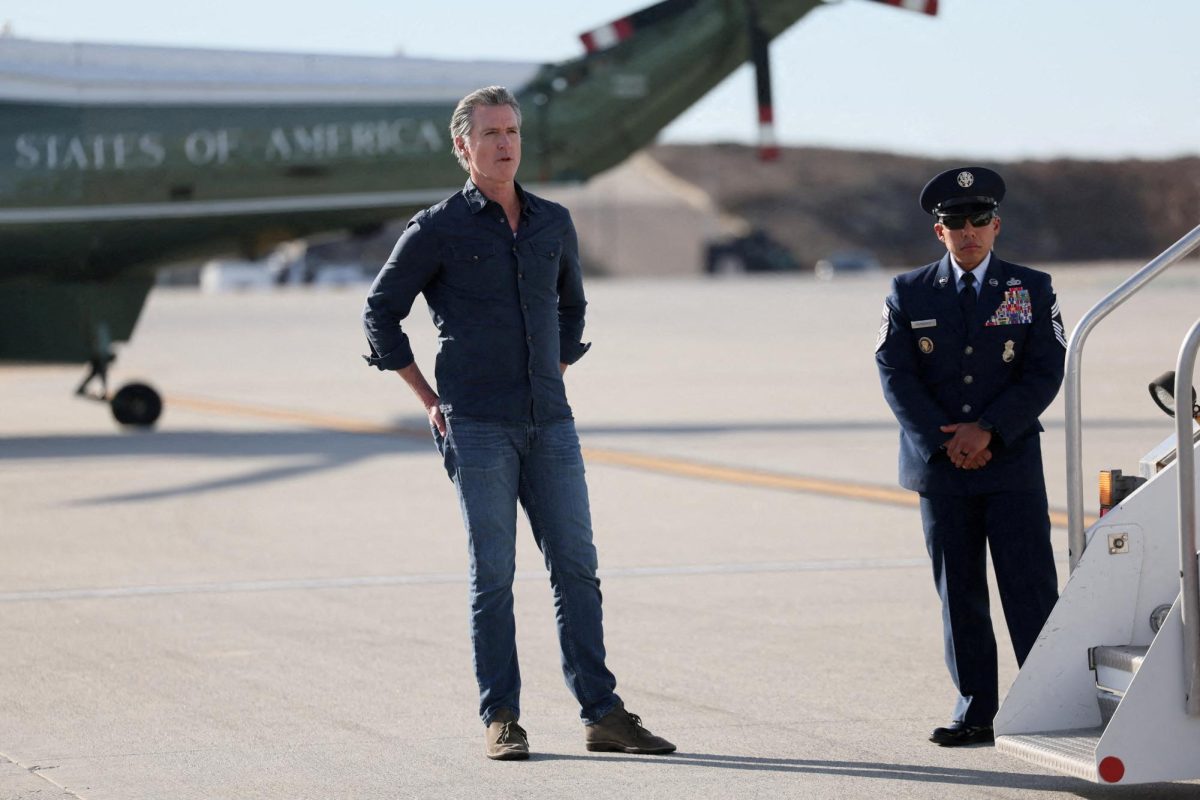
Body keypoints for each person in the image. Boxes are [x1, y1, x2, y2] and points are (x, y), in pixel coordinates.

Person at [361, 86, 674, 761]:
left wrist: (553, 372)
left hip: (550, 424)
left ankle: (603, 714)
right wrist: (427, 398)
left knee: (577, 569)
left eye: (512, 131)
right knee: (493, 577)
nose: (505, 143)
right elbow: (380, 311)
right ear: (462, 146)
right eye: (491, 133)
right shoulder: (437, 227)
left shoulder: (552, 222)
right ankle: (501, 717)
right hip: (475, 426)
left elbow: (573, 307)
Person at [875, 167, 1066, 747]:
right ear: (939, 232)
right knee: (959, 595)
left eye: (978, 220)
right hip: (940, 468)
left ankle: (1046, 705)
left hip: (1008, 463)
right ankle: (976, 710)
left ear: (996, 225)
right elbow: (895, 373)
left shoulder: (1031, 288)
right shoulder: (908, 292)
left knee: (1029, 589)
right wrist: (945, 440)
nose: (968, 232)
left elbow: (1044, 371)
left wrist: (987, 430)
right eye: (954, 222)